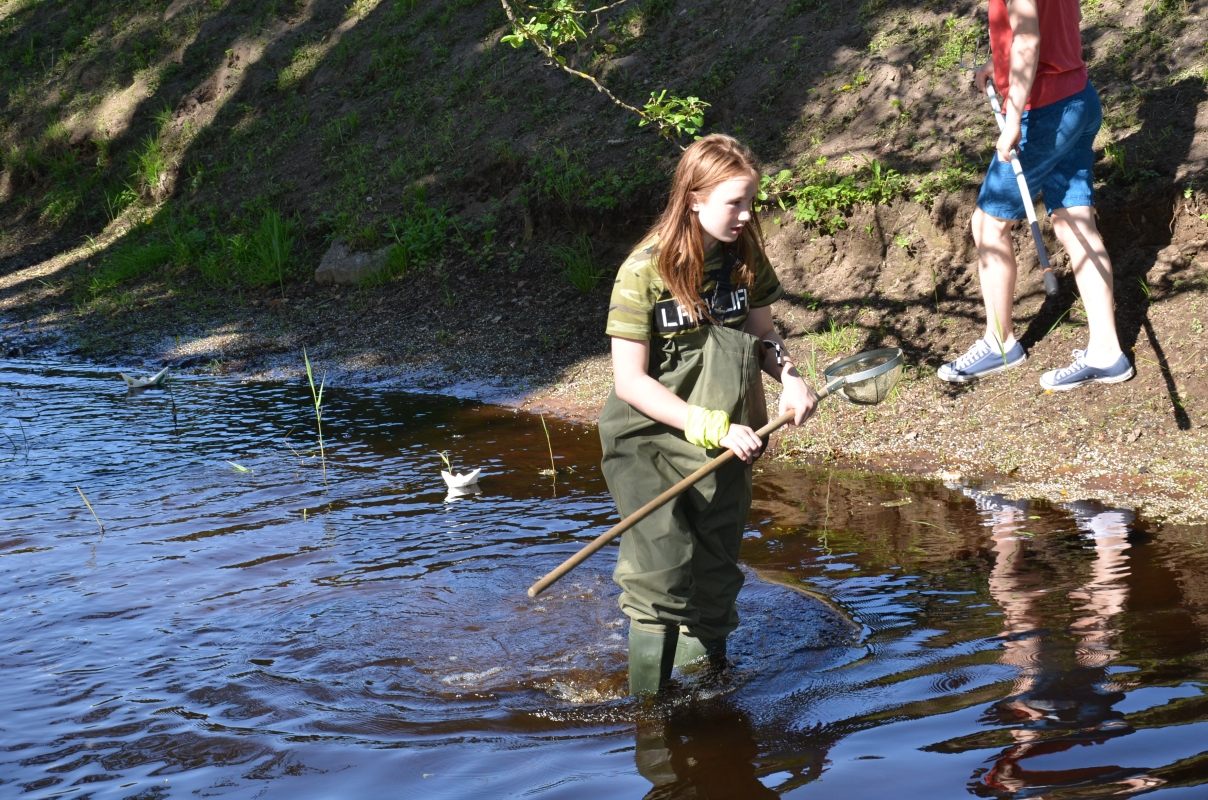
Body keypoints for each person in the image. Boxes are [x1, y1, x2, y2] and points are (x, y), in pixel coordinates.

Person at [599, 134, 817, 696]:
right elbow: (629, 381)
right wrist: (705, 424)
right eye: (734, 203)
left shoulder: (745, 259)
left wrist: (790, 378)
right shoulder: (643, 271)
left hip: (732, 439)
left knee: (715, 576)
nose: (746, 216)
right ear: (693, 199)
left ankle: (707, 697)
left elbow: (764, 335)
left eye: (751, 202)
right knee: (662, 576)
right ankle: (650, 714)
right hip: (647, 442)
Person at [938, 0, 1133, 390]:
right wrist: (1002, 64)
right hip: (1078, 96)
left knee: (988, 224)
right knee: (1073, 221)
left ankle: (1001, 344)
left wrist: (1013, 120)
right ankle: (1107, 353)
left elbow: (1028, 40)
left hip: (1043, 115)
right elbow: (1058, 23)